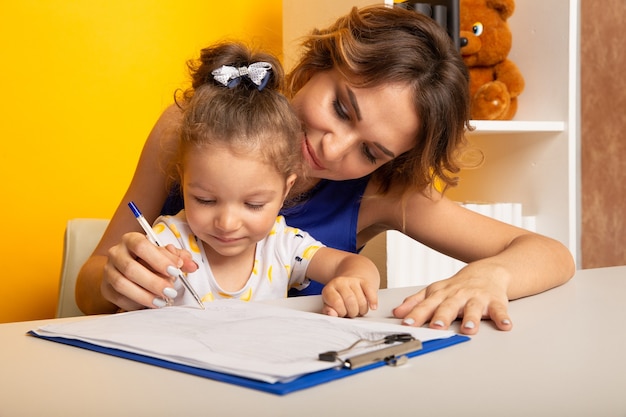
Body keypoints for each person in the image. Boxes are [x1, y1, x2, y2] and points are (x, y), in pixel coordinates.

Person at [75, 5, 575, 334]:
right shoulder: (193, 127)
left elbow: (550, 254)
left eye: (371, 151)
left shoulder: (383, 193)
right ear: (316, 65)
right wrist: (111, 281)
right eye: (340, 108)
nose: (335, 151)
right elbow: (87, 285)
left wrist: (490, 276)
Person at [124, 43, 379, 317]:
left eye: (254, 204)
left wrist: (354, 282)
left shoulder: (282, 246)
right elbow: (123, 307)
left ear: (285, 190)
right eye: (205, 200)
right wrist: (144, 284)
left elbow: (353, 265)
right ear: (182, 179)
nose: (227, 223)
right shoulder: (169, 241)